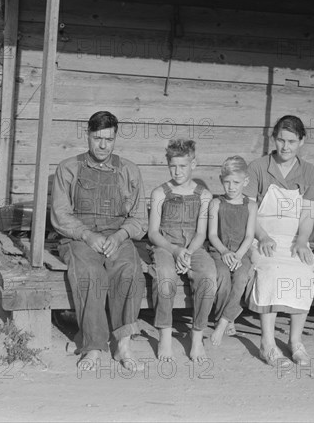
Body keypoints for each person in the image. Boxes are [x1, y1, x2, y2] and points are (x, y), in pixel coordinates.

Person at [51, 111, 147, 371]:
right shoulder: (68, 168)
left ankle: (123, 345)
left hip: (117, 237)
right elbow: (60, 214)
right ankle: (93, 347)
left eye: (109, 139)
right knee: (91, 274)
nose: (103, 145)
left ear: (115, 138)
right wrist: (87, 235)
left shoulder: (129, 170)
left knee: (128, 271)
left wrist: (120, 236)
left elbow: (139, 219)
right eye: (97, 138)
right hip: (80, 237)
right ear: (88, 136)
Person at [245, 115, 314, 366]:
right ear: (273, 138)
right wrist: (262, 236)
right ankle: (267, 344)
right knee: (271, 272)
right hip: (262, 237)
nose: (285, 146)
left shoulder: (309, 172)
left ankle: (295, 342)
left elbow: (308, 213)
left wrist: (302, 241)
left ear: (302, 141)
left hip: (293, 239)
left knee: (304, 271)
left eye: (291, 141)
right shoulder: (258, 167)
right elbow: (249, 211)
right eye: (281, 139)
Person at [148, 139, 217, 363]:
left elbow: (201, 233)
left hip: (193, 247)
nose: (177, 171)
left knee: (208, 276)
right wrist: (175, 250)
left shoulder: (204, 195)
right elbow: (153, 233)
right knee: (166, 277)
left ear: (193, 164)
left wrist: (186, 253)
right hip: (166, 245)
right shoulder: (160, 193)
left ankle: (197, 337)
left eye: (183, 166)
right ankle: (165, 335)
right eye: (173, 166)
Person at [208, 156, 257, 346]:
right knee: (221, 277)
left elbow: (249, 236)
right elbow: (212, 234)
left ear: (245, 181)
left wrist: (237, 255)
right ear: (221, 180)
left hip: (241, 253)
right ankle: (227, 316)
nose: (231, 187)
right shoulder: (216, 204)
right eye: (227, 182)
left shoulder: (251, 206)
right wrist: (225, 252)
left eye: (236, 182)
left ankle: (223, 322)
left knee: (242, 277)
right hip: (219, 251)